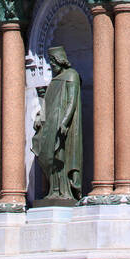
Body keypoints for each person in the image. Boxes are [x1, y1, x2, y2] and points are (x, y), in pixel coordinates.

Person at [32, 46, 82, 203]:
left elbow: (72, 101)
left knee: (60, 155)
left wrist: (65, 121)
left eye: (53, 62)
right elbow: (45, 103)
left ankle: (64, 191)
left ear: (59, 61)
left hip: (61, 124)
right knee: (47, 156)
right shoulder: (53, 81)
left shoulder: (72, 75)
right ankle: (53, 191)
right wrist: (40, 117)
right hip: (49, 125)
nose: (52, 66)